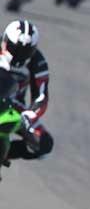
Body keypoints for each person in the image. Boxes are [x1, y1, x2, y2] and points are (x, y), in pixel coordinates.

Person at [1, 19, 53, 161]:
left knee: (45, 145)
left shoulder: (38, 61)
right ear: (5, 41)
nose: (18, 55)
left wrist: (30, 114)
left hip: (15, 108)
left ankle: (7, 153)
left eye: (25, 51)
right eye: (14, 48)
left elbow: (41, 96)